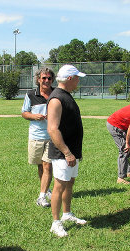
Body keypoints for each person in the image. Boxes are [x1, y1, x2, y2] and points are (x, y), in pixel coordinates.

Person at [47, 65, 87, 238]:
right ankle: (56, 223)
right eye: (77, 78)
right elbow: (53, 129)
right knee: (59, 185)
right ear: (70, 79)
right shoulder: (56, 99)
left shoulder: (66, 96)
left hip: (72, 151)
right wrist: (67, 152)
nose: (79, 81)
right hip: (63, 153)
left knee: (69, 183)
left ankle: (67, 213)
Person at [21, 67, 55, 207]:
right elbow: (24, 113)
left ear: (52, 80)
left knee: (47, 165)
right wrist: (34, 116)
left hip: (53, 136)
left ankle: (41, 197)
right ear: (38, 79)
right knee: (40, 166)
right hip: (36, 136)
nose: (46, 81)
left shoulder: (56, 94)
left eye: (49, 78)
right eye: (44, 78)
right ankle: (46, 190)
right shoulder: (30, 95)